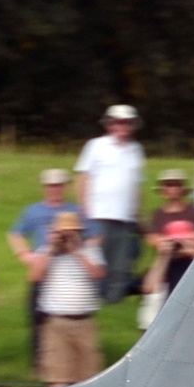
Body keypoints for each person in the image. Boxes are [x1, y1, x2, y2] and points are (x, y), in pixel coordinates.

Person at [8, 169, 83, 365]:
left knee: (64, 315)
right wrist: (26, 256)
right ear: (45, 188)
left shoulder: (75, 211)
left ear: (64, 187)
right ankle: (40, 363)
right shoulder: (33, 211)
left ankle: (68, 359)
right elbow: (15, 234)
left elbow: (93, 236)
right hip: (43, 268)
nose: (55, 189)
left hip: (67, 272)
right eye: (51, 186)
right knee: (36, 315)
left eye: (59, 185)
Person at [26, 211, 106, 387]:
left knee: (88, 378)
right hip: (56, 324)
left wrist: (76, 252)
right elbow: (34, 276)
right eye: (64, 232)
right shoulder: (47, 252)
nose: (68, 236)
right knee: (57, 377)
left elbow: (98, 274)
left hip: (84, 322)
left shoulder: (90, 250)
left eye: (72, 232)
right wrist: (52, 250)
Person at [75, 104, 145, 304]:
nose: (122, 126)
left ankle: (113, 301)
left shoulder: (136, 150)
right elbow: (83, 179)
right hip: (97, 215)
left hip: (125, 218)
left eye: (126, 122)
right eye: (118, 122)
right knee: (96, 260)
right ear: (110, 124)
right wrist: (84, 210)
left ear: (132, 125)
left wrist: (137, 215)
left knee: (120, 264)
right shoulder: (96, 145)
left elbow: (137, 185)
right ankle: (90, 299)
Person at [138, 219, 194, 330]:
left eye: (183, 241)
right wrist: (163, 256)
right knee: (153, 299)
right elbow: (149, 289)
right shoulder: (166, 262)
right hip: (170, 313)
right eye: (175, 241)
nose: (179, 245)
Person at [144, 169, 194, 252]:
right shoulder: (158, 214)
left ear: (182, 189)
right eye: (168, 186)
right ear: (163, 190)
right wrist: (165, 242)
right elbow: (152, 238)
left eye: (176, 185)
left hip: (190, 253)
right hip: (167, 254)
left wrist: (184, 243)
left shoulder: (193, 211)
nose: (173, 189)